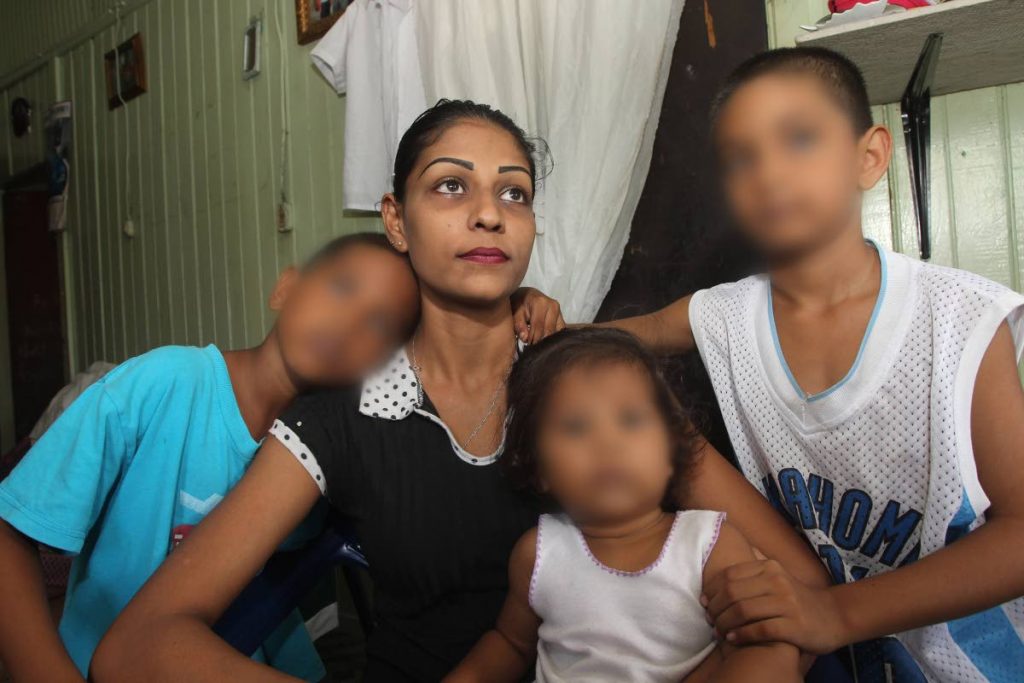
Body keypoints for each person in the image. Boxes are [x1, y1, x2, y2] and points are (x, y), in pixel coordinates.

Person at [92, 99, 826, 683]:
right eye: (452, 185)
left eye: (515, 191)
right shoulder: (341, 416)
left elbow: (800, 584)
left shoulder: (599, 380)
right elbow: (137, 646)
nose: (489, 212)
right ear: (395, 222)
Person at [603, 47, 1024, 681]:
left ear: (870, 156)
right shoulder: (723, 314)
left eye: (798, 138)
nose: (768, 172)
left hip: (972, 663)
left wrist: (837, 613)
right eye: (741, 159)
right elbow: (616, 340)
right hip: (834, 657)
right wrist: (534, 317)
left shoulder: (959, 318)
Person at [0, 232, 422, 682]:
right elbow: (9, 535)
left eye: (378, 324)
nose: (348, 322)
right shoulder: (162, 385)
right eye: (341, 287)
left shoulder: (329, 458)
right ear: (286, 288)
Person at [445, 328, 800, 683]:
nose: (608, 444)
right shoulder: (539, 553)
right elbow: (510, 644)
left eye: (631, 419)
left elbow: (758, 647)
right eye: (576, 426)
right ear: (539, 470)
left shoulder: (709, 544)